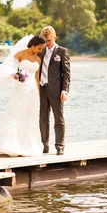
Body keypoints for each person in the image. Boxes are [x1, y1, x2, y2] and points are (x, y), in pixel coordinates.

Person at [0, 34, 46, 156]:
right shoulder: (20, 54)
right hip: (21, 88)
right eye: (39, 48)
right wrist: (15, 75)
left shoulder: (38, 60)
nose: (40, 51)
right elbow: (9, 68)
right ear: (33, 45)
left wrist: (39, 94)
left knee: (30, 116)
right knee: (16, 113)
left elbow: (36, 78)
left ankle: (27, 145)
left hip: (33, 91)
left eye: (42, 49)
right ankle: (9, 144)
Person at [38, 26, 70, 155]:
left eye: (49, 41)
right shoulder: (40, 51)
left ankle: (60, 145)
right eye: (45, 41)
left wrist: (65, 90)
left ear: (55, 38)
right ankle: (44, 145)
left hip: (56, 90)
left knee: (59, 118)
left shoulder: (62, 52)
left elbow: (66, 73)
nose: (47, 43)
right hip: (42, 89)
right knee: (43, 118)